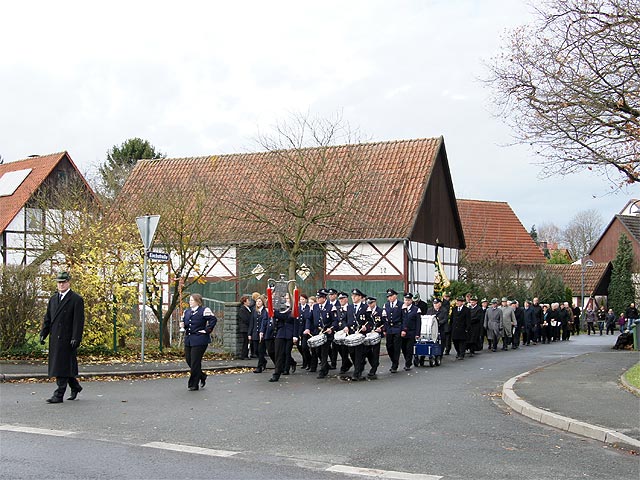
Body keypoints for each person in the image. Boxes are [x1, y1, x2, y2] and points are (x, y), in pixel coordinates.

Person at [39, 271, 85, 403]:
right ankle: (75, 386)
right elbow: (48, 318)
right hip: (55, 338)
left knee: (62, 366)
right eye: (59, 282)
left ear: (68, 282)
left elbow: (78, 321)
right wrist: (43, 333)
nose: (61, 285)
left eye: (63, 282)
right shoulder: (53, 299)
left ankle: (59, 394)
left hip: (68, 338)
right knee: (62, 366)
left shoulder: (76, 299)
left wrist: (76, 337)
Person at [181, 294, 217, 391]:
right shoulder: (187, 312)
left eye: (192, 300)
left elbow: (213, 320)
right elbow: (186, 325)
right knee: (189, 360)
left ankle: (193, 384)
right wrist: (183, 325)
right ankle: (202, 375)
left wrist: (206, 330)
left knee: (195, 362)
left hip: (200, 339)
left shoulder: (204, 310)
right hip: (189, 339)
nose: (190, 302)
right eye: (190, 300)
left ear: (198, 301)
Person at [345, 288, 371, 380]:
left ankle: (357, 373)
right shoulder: (349, 307)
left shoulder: (365, 307)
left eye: (355, 296)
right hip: (351, 334)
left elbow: (370, 321)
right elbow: (345, 319)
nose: (353, 297)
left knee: (358, 353)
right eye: (352, 296)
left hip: (360, 333)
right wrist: (345, 327)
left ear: (360, 297)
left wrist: (366, 327)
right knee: (352, 353)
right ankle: (360, 365)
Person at [269, 302, 297, 382]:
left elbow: (289, 318)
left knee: (286, 353)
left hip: (289, 333)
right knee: (278, 354)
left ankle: (286, 368)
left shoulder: (291, 310)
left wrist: (295, 335)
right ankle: (277, 373)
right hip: (280, 333)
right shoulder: (279, 309)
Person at [382, 288, 403, 373]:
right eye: (388, 296)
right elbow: (384, 317)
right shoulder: (386, 305)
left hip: (397, 327)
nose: (389, 298)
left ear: (395, 296)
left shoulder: (401, 304)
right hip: (389, 328)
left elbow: (403, 317)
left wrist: (403, 329)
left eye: (391, 296)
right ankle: (393, 360)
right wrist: (384, 329)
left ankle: (395, 364)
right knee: (389, 346)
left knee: (396, 347)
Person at [400, 292, 420, 370]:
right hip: (403, 333)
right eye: (405, 300)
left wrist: (417, 333)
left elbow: (418, 323)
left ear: (411, 300)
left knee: (409, 348)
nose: (407, 302)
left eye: (408, 300)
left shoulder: (416, 309)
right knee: (404, 348)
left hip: (412, 332)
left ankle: (408, 364)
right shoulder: (402, 309)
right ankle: (408, 360)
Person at [333, 292, 352, 375]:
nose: (341, 300)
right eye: (340, 299)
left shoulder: (350, 308)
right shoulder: (337, 308)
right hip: (339, 332)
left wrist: (347, 326)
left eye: (343, 298)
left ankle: (345, 366)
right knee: (340, 349)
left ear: (346, 299)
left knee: (346, 350)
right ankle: (347, 363)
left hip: (348, 331)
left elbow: (351, 320)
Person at [364, 297, 384, 379]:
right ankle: (374, 363)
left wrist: (381, 329)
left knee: (375, 352)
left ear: (375, 302)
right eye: (368, 303)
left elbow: (385, 322)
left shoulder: (380, 311)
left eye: (371, 303)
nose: (369, 305)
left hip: (376, 334)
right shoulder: (366, 311)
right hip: (368, 334)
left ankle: (374, 369)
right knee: (367, 351)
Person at [250, 297, 269, 373]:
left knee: (261, 350)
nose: (258, 303)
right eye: (257, 301)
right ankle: (263, 361)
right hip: (255, 333)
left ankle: (259, 367)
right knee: (256, 350)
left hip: (262, 333)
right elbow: (252, 322)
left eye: (260, 301)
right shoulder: (254, 311)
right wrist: (249, 333)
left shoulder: (265, 311)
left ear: (262, 302)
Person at [296, 294, 312, 370]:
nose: (302, 301)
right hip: (299, 330)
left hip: (306, 330)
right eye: (301, 299)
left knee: (305, 347)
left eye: (303, 299)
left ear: (306, 300)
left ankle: (309, 362)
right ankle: (304, 361)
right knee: (300, 347)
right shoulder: (298, 308)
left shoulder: (308, 308)